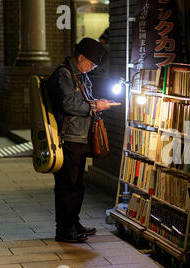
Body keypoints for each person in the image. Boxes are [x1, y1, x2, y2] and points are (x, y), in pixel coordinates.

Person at [46, 38, 114, 243]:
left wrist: (97, 104)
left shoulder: (80, 75)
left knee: (78, 184)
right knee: (68, 184)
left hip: (80, 136)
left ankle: (74, 223)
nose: (92, 68)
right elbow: (67, 103)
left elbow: (81, 100)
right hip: (69, 138)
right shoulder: (63, 74)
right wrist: (95, 106)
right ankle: (64, 230)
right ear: (81, 57)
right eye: (91, 64)